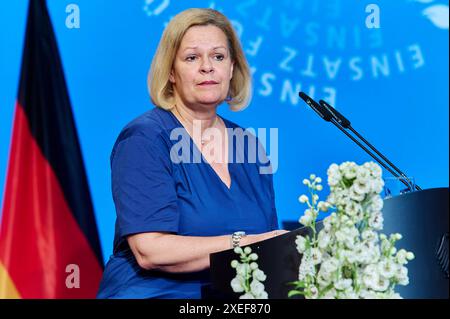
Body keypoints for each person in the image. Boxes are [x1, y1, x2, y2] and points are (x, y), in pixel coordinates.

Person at [97, 8, 287, 299]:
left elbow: (267, 255)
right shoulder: (145, 138)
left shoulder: (249, 146)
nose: (207, 67)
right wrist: (247, 242)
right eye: (192, 57)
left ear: (232, 68)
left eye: (218, 57)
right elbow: (151, 250)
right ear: (171, 72)